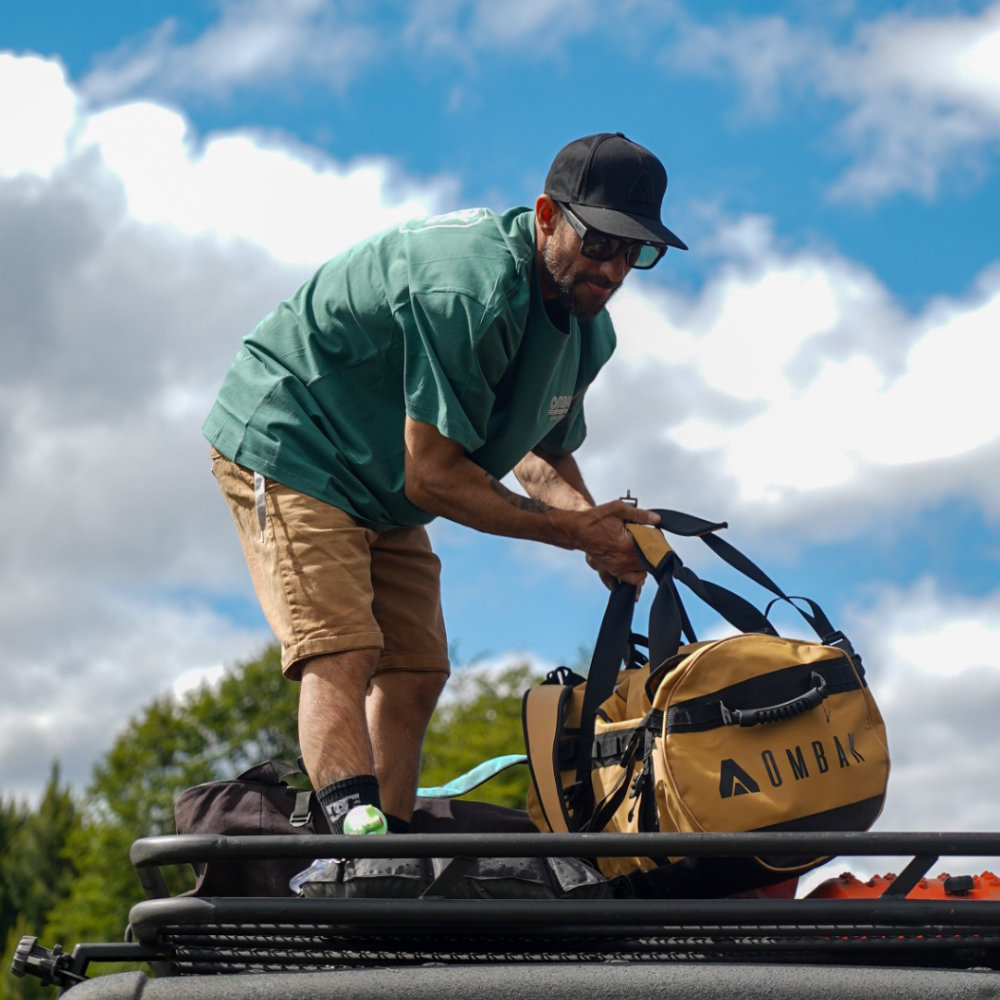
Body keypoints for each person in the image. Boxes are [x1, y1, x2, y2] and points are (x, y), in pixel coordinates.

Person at [203, 131, 687, 845]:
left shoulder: (588, 332)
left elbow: (539, 455)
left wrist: (599, 531)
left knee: (418, 667)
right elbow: (434, 476)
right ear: (548, 215)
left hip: (383, 481)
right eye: (601, 243)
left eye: (636, 252)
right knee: (341, 648)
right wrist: (568, 532)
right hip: (296, 439)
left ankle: (389, 847)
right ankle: (351, 845)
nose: (614, 269)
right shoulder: (468, 288)